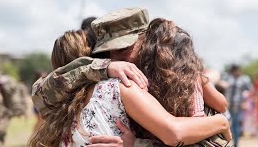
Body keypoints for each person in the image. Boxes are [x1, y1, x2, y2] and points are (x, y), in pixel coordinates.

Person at [30, 8, 231, 146]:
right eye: (110, 52)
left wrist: (220, 121)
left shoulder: (174, 71)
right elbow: (42, 91)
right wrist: (104, 67)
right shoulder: (116, 81)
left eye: (126, 48)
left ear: (145, 40)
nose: (119, 57)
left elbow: (218, 108)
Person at [224, 64, 253, 147]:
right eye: (234, 71)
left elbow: (250, 90)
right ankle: (227, 142)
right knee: (227, 124)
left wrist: (246, 102)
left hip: (238, 105)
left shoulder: (244, 80)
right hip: (227, 105)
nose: (236, 72)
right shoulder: (227, 78)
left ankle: (236, 144)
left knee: (236, 124)